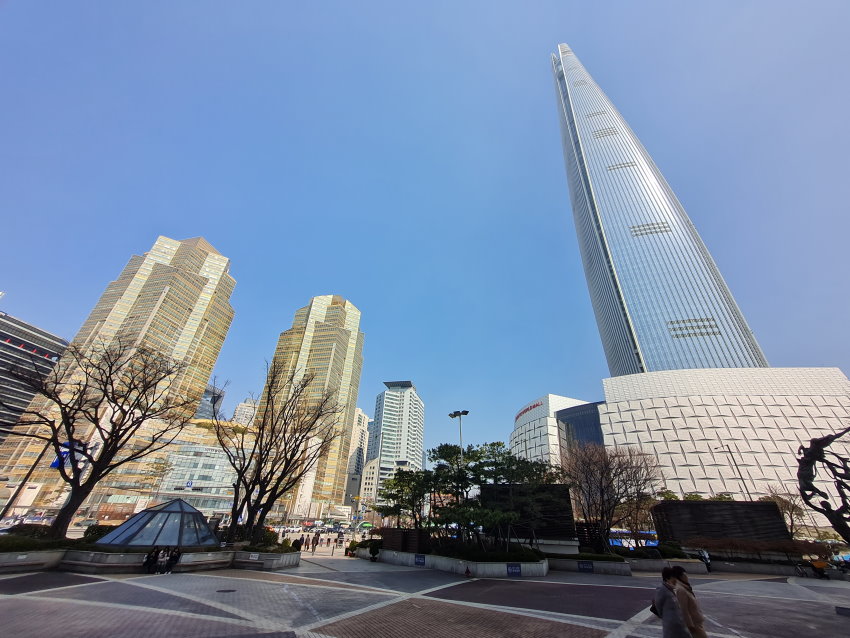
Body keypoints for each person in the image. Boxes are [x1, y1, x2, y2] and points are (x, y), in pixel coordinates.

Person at [652, 567, 691, 638]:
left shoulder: (670, 589)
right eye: (673, 577)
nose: (676, 580)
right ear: (667, 578)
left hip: (678, 623)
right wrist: (666, 616)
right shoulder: (662, 589)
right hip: (670, 625)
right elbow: (658, 606)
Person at [671, 566, 706, 638]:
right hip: (694, 624)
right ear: (681, 576)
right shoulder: (681, 590)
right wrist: (690, 625)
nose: (687, 576)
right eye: (685, 574)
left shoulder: (685, 587)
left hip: (697, 622)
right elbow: (684, 610)